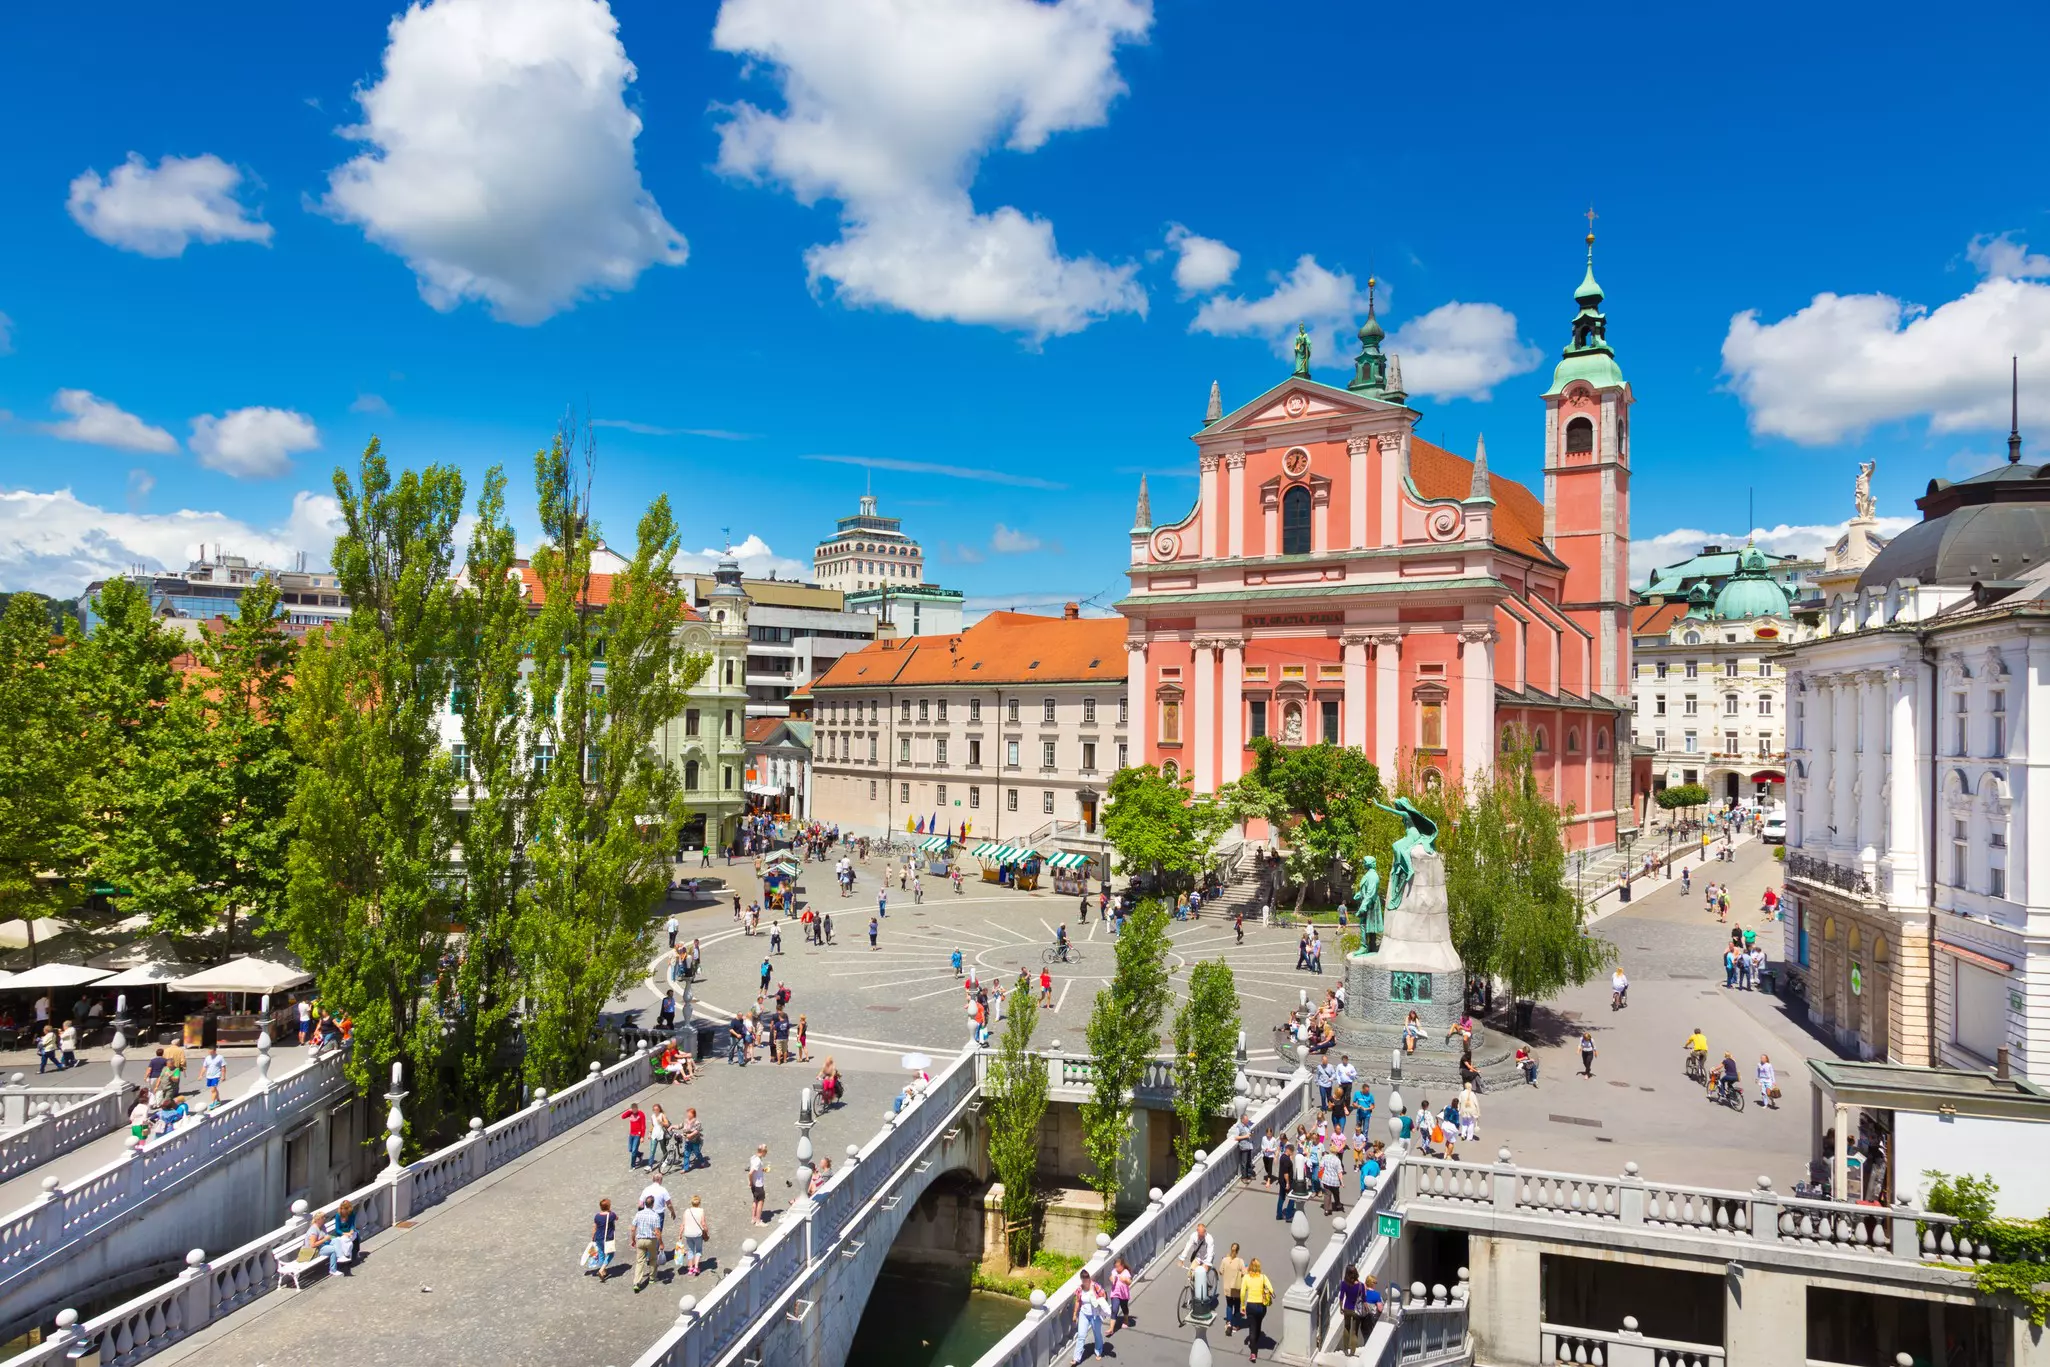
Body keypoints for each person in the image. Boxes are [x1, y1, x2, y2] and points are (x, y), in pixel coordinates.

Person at [1240, 1257, 1276, 1361]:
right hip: (1261, 1307)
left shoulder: (1246, 1278)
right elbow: (1271, 1289)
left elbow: (1242, 1293)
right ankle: (1257, 1336)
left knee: (1252, 1329)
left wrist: (1243, 1305)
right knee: (1258, 1322)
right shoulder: (1263, 1277)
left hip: (1251, 1306)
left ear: (1250, 1267)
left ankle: (1253, 1353)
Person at [1071, 1268, 1109, 1363]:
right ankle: (1076, 1358)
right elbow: (1077, 1302)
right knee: (1081, 1335)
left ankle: (1098, 1351)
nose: (1085, 1282)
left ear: (1089, 1278)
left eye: (1087, 1279)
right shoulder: (1080, 1289)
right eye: (1084, 1280)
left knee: (1097, 1334)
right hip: (1084, 1314)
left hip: (1095, 1315)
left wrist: (1098, 1301)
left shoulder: (1095, 1286)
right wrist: (1075, 1314)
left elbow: (1104, 1295)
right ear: (1082, 1280)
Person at [312, 1198, 359, 1276]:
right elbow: (313, 1245)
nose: (325, 1219)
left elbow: (352, 1225)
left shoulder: (323, 1226)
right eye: (323, 1218)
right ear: (318, 1219)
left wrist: (351, 1231)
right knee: (338, 1246)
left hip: (328, 1242)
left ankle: (342, 1258)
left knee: (339, 1241)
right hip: (320, 1247)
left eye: (325, 1217)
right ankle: (339, 1262)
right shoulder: (314, 1229)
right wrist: (326, 1239)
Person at [631, 1196, 664, 1292]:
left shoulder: (638, 1214)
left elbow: (633, 1228)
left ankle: (636, 1282)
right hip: (651, 1240)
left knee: (639, 1261)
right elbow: (657, 1232)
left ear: (645, 1204)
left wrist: (633, 1239)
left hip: (640, 1240)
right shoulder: (655, 1215)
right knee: (653, 1258)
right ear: (653, 1204)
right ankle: (652, 1278)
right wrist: (661, 1243)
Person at [1181, 1221, 1217, 1308]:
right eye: (1199, 1235)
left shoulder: (1209, 1239)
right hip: (1198, 1258)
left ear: (1205, 1232)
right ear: (1197, 1232)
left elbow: (1210, 1252)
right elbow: (1188, 1246)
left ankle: (1205, 1296)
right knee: (1190, 1274)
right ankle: (1192, 1298)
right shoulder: (1193, 1236)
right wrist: (1182, 1258)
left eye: (1202, 1235)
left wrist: (1207, 1264)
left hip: (1207, 1259)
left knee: (1202, 1275)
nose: (1200, 1237)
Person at [586, 1197, 618, 1280]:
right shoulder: (611, 1215)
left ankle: (603, 1272)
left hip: (598, 1237)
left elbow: (595, 1227)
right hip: (608, 1238)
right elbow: (617, 1218)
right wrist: (610, 1211)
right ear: (608, 1206)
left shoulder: (597, 1216)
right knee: (611, 1254)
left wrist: (593, 1237)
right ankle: (602, 1270)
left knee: (601, 1254)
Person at [680, 1194, 708, 1275]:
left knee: (690, 1250)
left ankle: (690, 1268)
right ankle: (696, 1267)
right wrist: (706, 1230)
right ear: (699, 1203)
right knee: (698, 1250)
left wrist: (680, 1234)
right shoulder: (701, 1211)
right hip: (697, 1234)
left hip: (688, 1234)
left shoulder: (687, 1211)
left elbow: (683, 1224)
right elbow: (703, 1223)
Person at [1109, 1255, 1134, 1334]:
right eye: (1115, 1266)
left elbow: (1130, 1282)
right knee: (1114, 1309)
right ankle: (1111, 1328)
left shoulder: (1126, 1272)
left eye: (1118, 1266)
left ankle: (1126, 1320)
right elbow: (1111, 1277)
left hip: (1123, 1295)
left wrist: (1125, 1280)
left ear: (1122, 1266)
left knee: (1124, 1308)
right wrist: (1112, 1279)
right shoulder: (1114, 1271)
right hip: (1115, 1294)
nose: (1117, 1268)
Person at [621, 1102, 648, 1169]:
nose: (634, 1111)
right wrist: (629, 1111)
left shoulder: (641, 1114)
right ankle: (640, 1154)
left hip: (637, 1135)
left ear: (637, 1108)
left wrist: (642, 1136)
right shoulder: (630, 1113)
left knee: (633, 1151)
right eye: (633, 1110)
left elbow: (643, 1126)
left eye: (635, 1109)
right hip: (631, 1134)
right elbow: (623, 1117)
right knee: (630, 1149)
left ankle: (632, 1165)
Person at [749, 1143, 771, 1224]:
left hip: (754, 1184)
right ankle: (758, 1221)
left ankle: (753, 1218)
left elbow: (754, 1170)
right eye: (766, 1152)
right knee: (760, 1201)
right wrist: (750, 1181)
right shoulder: (758, 1161)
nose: (766, 1154)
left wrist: (763, 1170)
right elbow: (751, 1173)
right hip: (758, 1184)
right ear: (763, 1151)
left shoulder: (753, 1158)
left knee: (755, 1200)